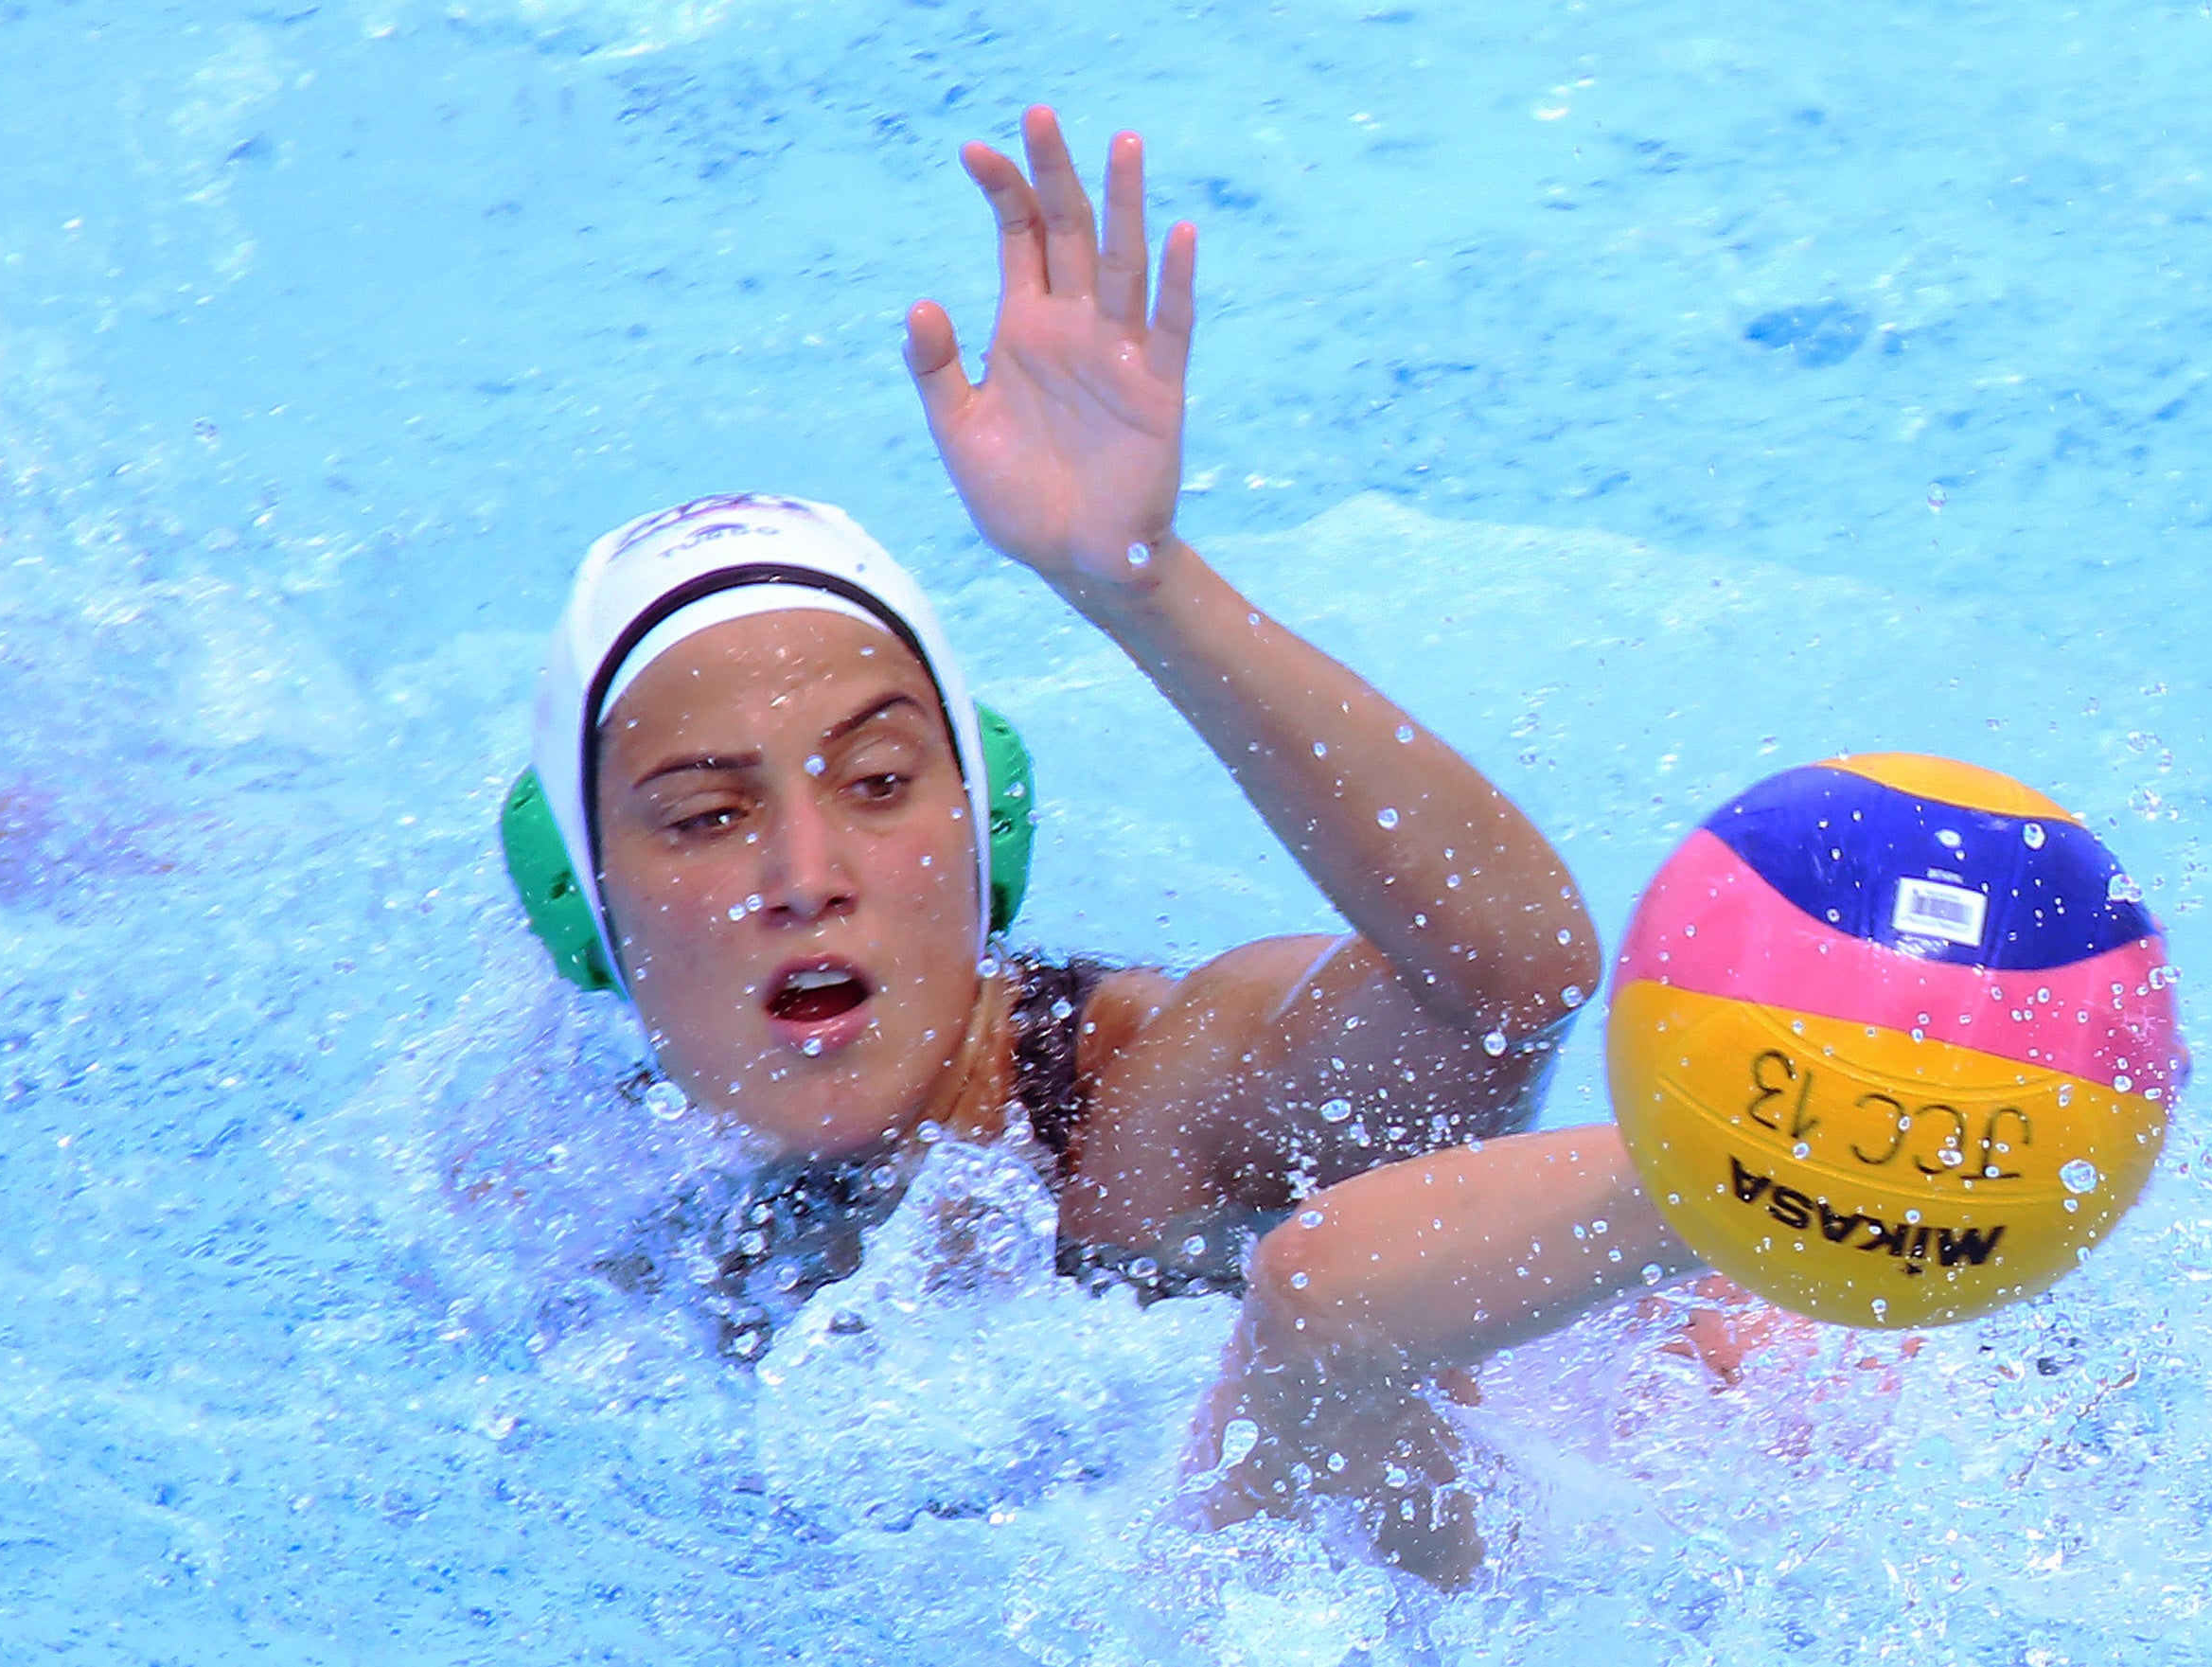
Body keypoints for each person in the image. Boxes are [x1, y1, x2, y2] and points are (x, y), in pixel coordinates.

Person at [511, 106, 1861, 1587]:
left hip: (1716, 1458)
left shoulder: (1141, 1094)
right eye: (709, 818)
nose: (806, 868)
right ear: (588, 916)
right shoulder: (580, 1185)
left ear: (985, 838)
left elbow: (1509, 977)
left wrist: (1141, 588)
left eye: (884, 781)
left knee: (1306, 1337)